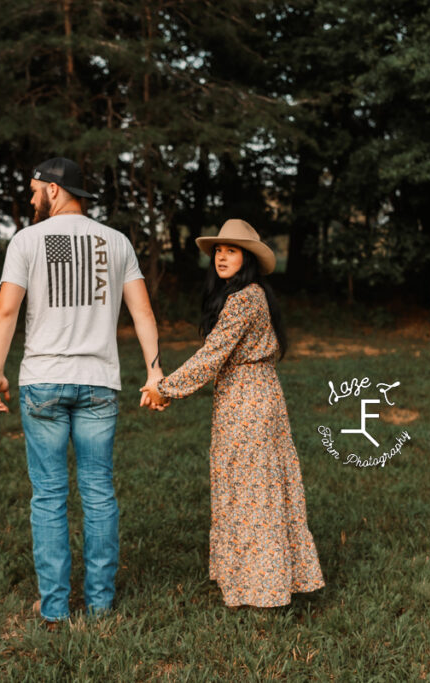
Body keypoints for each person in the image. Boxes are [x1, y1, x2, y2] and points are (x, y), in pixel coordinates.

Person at [0, 157, 163, 627]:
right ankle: (101, 604)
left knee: (48, 495)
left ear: (55, 188)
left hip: (42, 380)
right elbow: (142, 313)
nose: (30, 198)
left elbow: (6, 312)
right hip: (100, 381)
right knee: (99, 491)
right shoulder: (117, 242)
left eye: (33, 189)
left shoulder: (27, 241)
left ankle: (56, 607)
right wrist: (153, 369)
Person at [140, 219, 324, 608]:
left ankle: (262, 587)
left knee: (252, 490)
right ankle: (252, 579)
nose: (223, 257)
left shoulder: (244, 299)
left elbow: (211, 356)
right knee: (252, 488)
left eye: (232, 250)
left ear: (248, 258)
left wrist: (164, 387)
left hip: (248, 402)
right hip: (252, 396)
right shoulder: (249, 295)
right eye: (219, 251)